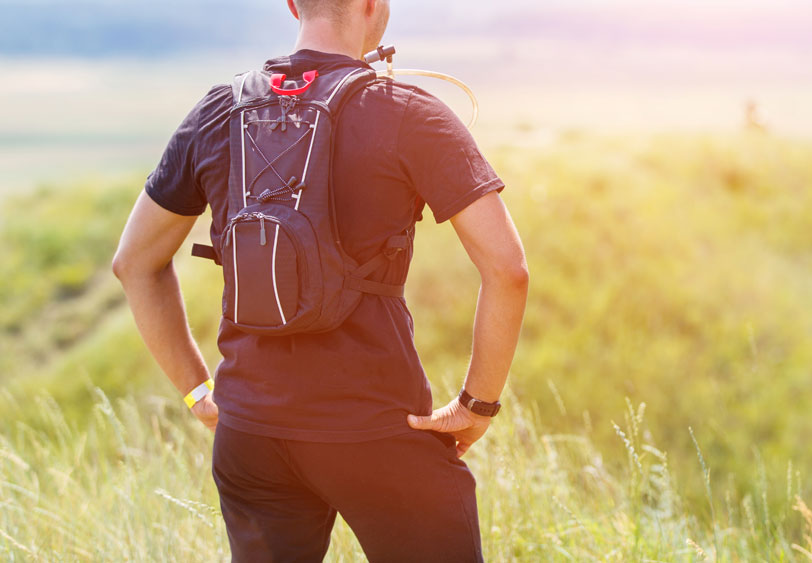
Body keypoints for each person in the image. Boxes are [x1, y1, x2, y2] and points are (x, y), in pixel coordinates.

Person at [111, 0, 529, 560]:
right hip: (378, 430)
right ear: (372, 5)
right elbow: (508, 270)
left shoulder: (220, 110)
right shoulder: (407, 111)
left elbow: (133, 262)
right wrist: (476, 406)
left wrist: (198, 392)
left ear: (291, 4)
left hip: (251, 434)